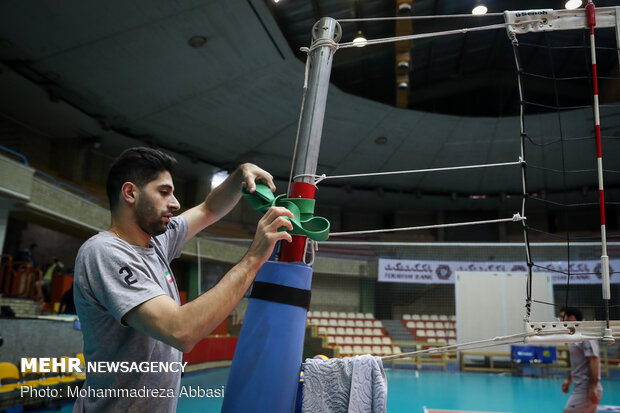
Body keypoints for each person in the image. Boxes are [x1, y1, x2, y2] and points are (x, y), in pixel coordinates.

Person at [73, 147, 294, 412]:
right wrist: (254, 258)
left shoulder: (156, 242)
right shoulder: (105, 252)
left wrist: (239, 177)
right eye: (164, 192)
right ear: (130, 193)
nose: (176, 203)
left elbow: (210, 208)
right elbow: (181, 331)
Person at [560, 307, 603, 413]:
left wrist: (592, 387)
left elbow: (593, 360)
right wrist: (569, 379)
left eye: (562, 317)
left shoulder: (585, 335)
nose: (560, 320)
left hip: (586, 389)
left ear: (572, 318)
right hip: (580, 388)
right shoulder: (573, 337)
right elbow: (579, 363)